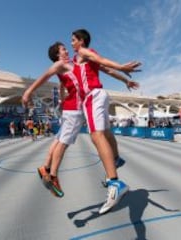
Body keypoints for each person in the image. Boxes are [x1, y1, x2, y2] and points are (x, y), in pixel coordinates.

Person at [22, 42, 138, 198]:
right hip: (75, 109)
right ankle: (53, 175)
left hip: (77, 107)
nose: (67, 50)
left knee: (60, 140)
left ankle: (46, 168)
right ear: (57, 54)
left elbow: (105, 70)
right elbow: (45, 77)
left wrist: (124, 80)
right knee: (64, 142)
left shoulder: (74, 65)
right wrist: (28, 92)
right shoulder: (60, 64)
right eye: (63, 49)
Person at [71, 28, 141, 214]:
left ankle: (114, 183)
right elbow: (107, 70)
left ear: (81, 41)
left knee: (96, 135)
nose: (71, 44)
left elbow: (104, 61)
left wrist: (122, 68)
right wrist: (124, 80)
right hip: (98, 96)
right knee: (105, 133)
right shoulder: (80, 61)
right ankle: (116, 158)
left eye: (73, 40)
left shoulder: (83, 52)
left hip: (93, 96)